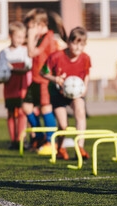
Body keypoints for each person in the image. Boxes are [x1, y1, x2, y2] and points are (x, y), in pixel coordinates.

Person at [41, 27, 91, 160]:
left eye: (81, 44)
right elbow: (43, 72)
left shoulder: (85, 58)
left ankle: (80, 147)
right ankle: (60, 147)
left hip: (75, 93)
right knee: (63, 125)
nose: (78, 47)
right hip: (58, 93)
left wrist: (84, 87)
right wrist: (55, 79)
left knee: (80, 111)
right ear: (69, 43)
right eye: (75, 43)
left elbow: (86, 74)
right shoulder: (56, 57)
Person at [21, 8, 66, 154]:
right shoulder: (40, 37)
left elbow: (31, 53)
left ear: (40, 24)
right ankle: (39, 137)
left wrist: (31, 36)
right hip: (35, 79)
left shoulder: (48, 37)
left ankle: (50, 142)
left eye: (30, 28)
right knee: (27, 107)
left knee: (46, 108)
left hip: (45, 80)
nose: (29, 31)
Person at [0, 22, 32, 150]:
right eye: (17, 37)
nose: (20, 40)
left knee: (22, 112)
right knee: (11, 113)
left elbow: (27, 68)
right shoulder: (3, 53)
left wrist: (14, 70)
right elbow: (1, 71)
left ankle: (22, 139)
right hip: (9, 87)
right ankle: (13, 141)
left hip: (21, 87)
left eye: (22, 37)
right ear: (10, 36)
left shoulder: (24, 51)